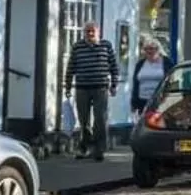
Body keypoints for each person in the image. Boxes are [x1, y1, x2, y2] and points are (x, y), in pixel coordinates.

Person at [65, 22, 120, 160]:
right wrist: (67, 86)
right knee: (83, 120)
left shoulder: (106, 46)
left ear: (98, 32)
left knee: (100, 119)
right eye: (87, 31)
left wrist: (114, 85)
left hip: (100, 87)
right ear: (84, 33)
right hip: (82, 87)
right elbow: (71, 68)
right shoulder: (77, 47)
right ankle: (85, 147)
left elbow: (114, 67)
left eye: (92, 31)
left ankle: (99, 149)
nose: (90, 34)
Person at [132, 37, 168, 118]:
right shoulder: (140, 64)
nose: (149, 51)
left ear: (158, 49)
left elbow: (172, 80)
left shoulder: (166, 62)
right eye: (146, 49)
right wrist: (134, 103)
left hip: (160, 101)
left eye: (151, 48)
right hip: (142, 100)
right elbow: (136, 83)